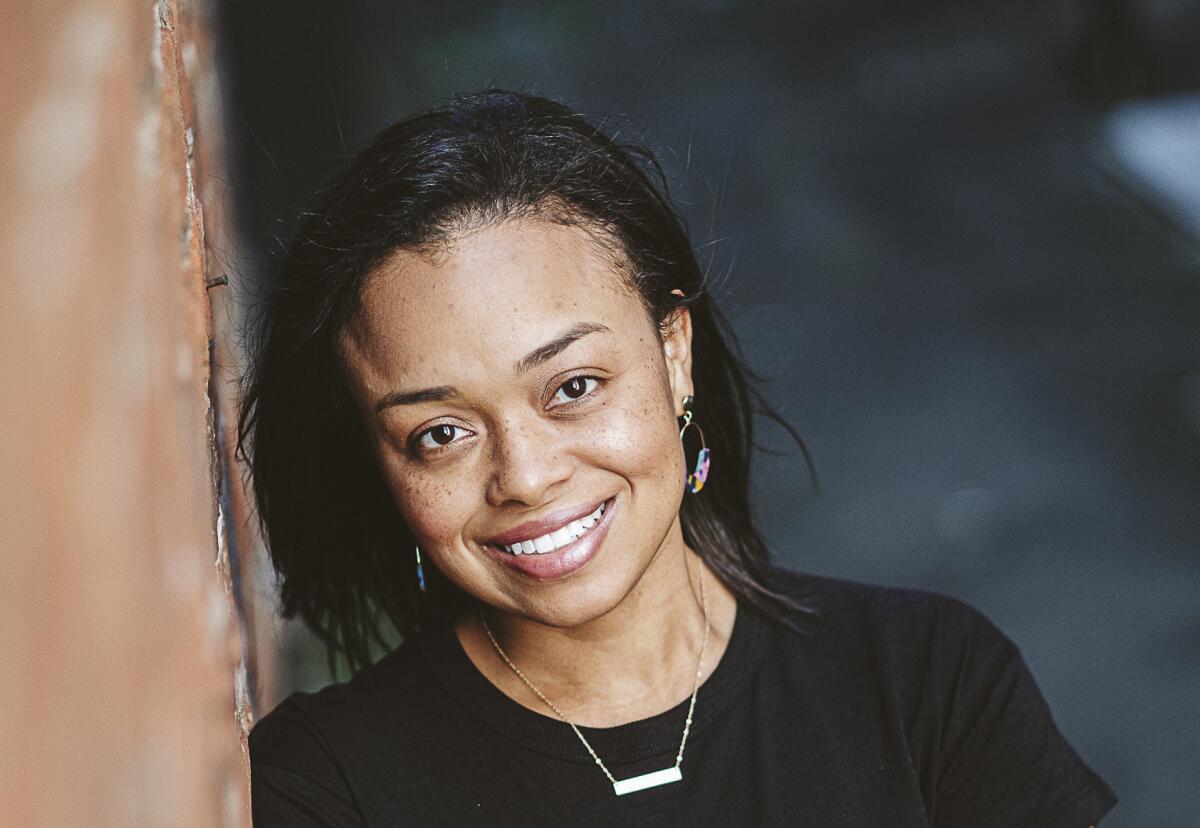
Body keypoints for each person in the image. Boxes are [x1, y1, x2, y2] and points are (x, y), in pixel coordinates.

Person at [240, 90, 1116, 826]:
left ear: (673, 355)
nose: (528, 475)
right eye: (440, 433)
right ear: (381, 462)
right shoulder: (325, 790)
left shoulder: (930, 685)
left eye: (573, 386)